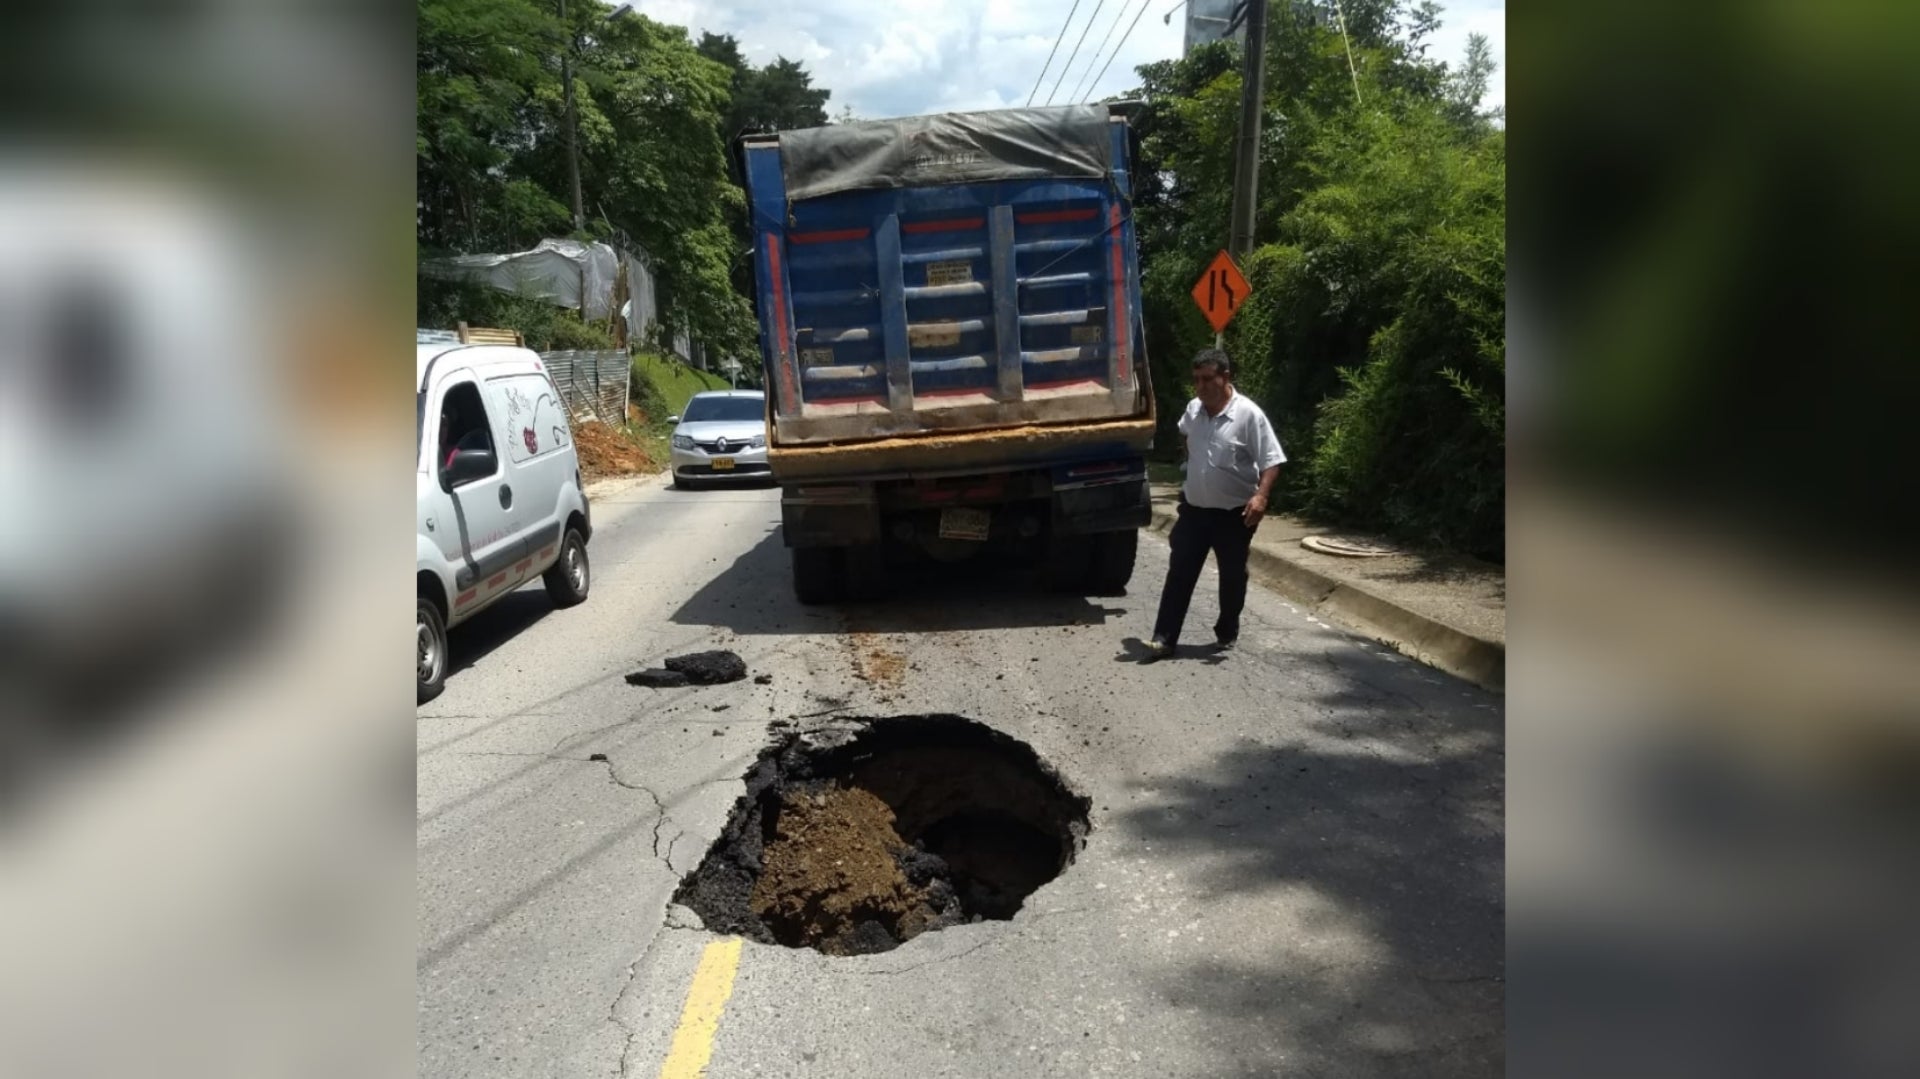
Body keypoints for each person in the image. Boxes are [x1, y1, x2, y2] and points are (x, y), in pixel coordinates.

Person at [1144, 348, 1285, 661]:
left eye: (1208, 378)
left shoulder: (1248, 414)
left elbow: (1272, 460)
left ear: (1226, 377)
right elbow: (1185, 435)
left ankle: (1227, 628)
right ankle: (1164, 638)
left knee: (1232, 576)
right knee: (1180, 571)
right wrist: (1193, 464)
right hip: (1194, 511)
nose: (1201, 386)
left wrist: (1261, 496)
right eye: (1196, 379)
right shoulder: (1193, 409)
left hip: (1234, 516)